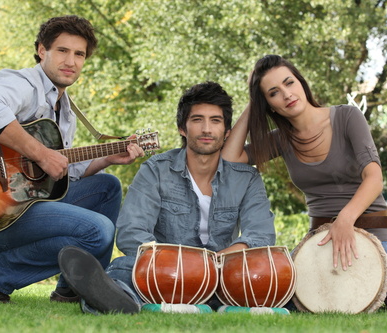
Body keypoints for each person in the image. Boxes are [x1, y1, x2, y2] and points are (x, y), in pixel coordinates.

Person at [220, 54, 387, 312]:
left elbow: (374, 178)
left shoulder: (347, 117)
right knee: (274, 300)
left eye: (289, 83)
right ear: (269, 105)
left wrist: (345, 220)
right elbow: (230, 157)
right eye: (274, 93)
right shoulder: (280, 140)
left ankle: (376, 293)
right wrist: (253, 104)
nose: (287, 94)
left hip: (374, 231)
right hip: (320, 240)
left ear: (301, 83)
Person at [0, 15, 145, 304]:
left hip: (23, 207)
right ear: (41, 50)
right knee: (99, 231)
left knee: (107, 186)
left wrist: (108, 157)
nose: (71, 61)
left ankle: (71, 287)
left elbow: (59, 175)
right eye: (62, 50)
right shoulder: (24, 84)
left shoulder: (65, 110)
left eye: (79, 54)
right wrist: (41, 153)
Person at [57, 81, 276, 314]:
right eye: (197, 120)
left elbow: (260, 234)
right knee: (124, 267)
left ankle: (162, 302)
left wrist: (215, 263)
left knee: (260, 271)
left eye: (215, 121)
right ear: (183, 128)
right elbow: (132, 231)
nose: (206, 129)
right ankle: (116, 298)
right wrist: (177, 264)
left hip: (222, 274)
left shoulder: (247, 178)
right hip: (165, 272)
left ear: (227, 132)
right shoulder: (156, 170)